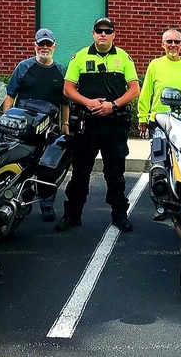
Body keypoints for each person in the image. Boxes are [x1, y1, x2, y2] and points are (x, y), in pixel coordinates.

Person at [55, 17, 140, 233]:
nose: (103, 34)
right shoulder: (80, 57)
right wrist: (87, 102)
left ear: (113, 34)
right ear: (93, 33)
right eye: (99, 31)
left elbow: (134, 89)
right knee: (80, 173)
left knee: (115, 174)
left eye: (107, 31)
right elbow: (68, 88)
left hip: (113, 125)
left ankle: (119, 216)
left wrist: (113, 105)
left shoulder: (124, 58)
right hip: (87, 124)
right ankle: (72, 215)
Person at [2, 28, 70, 222]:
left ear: (54, 47)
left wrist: (65, 124)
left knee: (47, 167)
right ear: (35, 45)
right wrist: (6, 119)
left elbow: (65, 102)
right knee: (19, 166)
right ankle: (13, 204)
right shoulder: (23, 67)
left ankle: (47, 204)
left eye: (48, 44)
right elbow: (10, 96)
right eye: (41, 44)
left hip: (49, 130)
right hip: (23, 130)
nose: (44, 47)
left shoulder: (61, 71)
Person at [137, 29, 181, 221]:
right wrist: (142, 117)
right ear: (163, 44)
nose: (173, 45)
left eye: (177, 42)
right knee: (160, 164)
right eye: (169, 41)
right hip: (160, 122)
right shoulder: (155, 65)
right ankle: (161, 204)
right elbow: (146, 92)